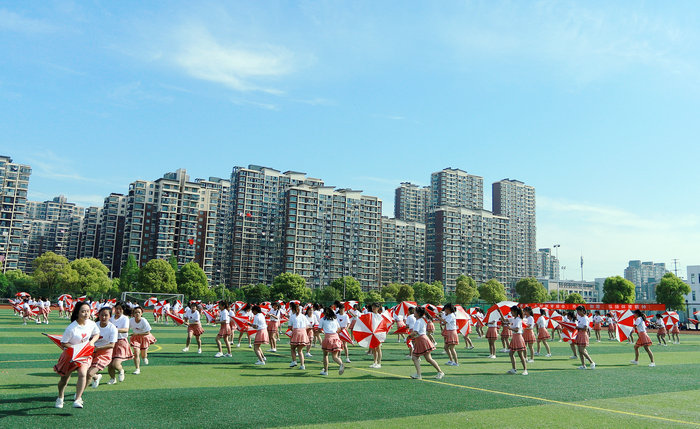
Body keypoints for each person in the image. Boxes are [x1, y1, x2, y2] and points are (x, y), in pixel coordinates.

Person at [53, 302, 99, 409]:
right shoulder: (71, 328)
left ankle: (78, 399)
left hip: (84, 354)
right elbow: (64, 342)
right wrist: (75, 348)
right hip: (70, 355)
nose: (86, 314)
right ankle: (60, 397)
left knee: (83, 374)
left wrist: (92, 342)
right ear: (77, 313)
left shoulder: (92, 324)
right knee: (64, 380)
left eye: (88, 311)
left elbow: (97, 334)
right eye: (83, 311)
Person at [409, 307, 444, 380]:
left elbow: (415, 332)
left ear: (418, 313)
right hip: (422, 339)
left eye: (415, 312)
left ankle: (419, 375)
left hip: (421, 339)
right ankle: (420, 374)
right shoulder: (421, 320)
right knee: (426, 358)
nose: (414, 313)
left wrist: (408, 337)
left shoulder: (418, 321)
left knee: (416, 357)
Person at [87, 306, 118, 389]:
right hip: (91, 351)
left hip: (104, 353)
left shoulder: (112, 328)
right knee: (82, 370)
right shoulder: (94, 325)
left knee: (89, 373)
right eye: (101, 315)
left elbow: (112, 345)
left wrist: (97, 348)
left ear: (110, 316)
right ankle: (96, 377)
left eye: (106, 315)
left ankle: (78, 395)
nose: (103, 317)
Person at [107, 302, 132, 385]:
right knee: (110, 364)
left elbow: (126, 330)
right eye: (117, 308)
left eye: (120, 309)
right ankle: (112, 379)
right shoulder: (111, 318)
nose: (118, 310)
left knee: (116, 363)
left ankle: (121, 370)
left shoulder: (125, 318)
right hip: (111, 342)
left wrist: (114, 330)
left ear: (123, 310)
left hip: (121, 342)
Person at [129, 306, 156, 374]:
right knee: (136, 352)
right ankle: (137, 369)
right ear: (133, 314)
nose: (137, 314)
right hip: (135, 339)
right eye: (135, 312)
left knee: (143, 355)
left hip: (144, 337)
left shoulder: (144, 321)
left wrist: (137, 334)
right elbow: (127, 328)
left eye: (139, 312)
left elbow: (148, 332)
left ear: (141, 313)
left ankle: (144, 358)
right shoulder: (131, 320)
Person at [319, 306, 345, 376]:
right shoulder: (334, 319)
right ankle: (341, 364)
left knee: (325, 355)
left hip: (328, 337)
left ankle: (326, 371)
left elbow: (319, 329)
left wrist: (322, 331)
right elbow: (339, 329)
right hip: (336, 337)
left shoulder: (322, 319)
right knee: (335, 356)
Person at [501, 306, 528, 375]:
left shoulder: (518, 319)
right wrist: (499, 311)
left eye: (512, 311)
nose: (511, 312)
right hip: (514, 337)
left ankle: (525, 370)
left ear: (515, 312)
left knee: (520, 355)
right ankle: (514, 369)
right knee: (511, 353)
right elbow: (504, 320)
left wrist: (510, 328)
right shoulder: (514, 318)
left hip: (518, 337)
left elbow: (517, 329)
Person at [288, 302, 309, 370]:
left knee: (292, 348)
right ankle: (302, 365)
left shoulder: (292, 316)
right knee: (300, 350)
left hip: (296, 331)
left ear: (293, 309)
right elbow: (308, 325)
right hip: (303, 332)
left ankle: (294, 361)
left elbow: (289, 326)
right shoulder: (303, 316)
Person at [369, 303, 384, 368]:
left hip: (378, 334)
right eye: (372, 307)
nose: (373, 308)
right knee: (373, 348)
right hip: (372, 333)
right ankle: (375, 362)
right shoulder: (370, 314)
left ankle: (379, 363)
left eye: (375, 307)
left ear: (378, 308)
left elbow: (382, 326)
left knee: (378, 348)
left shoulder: (380, 316)